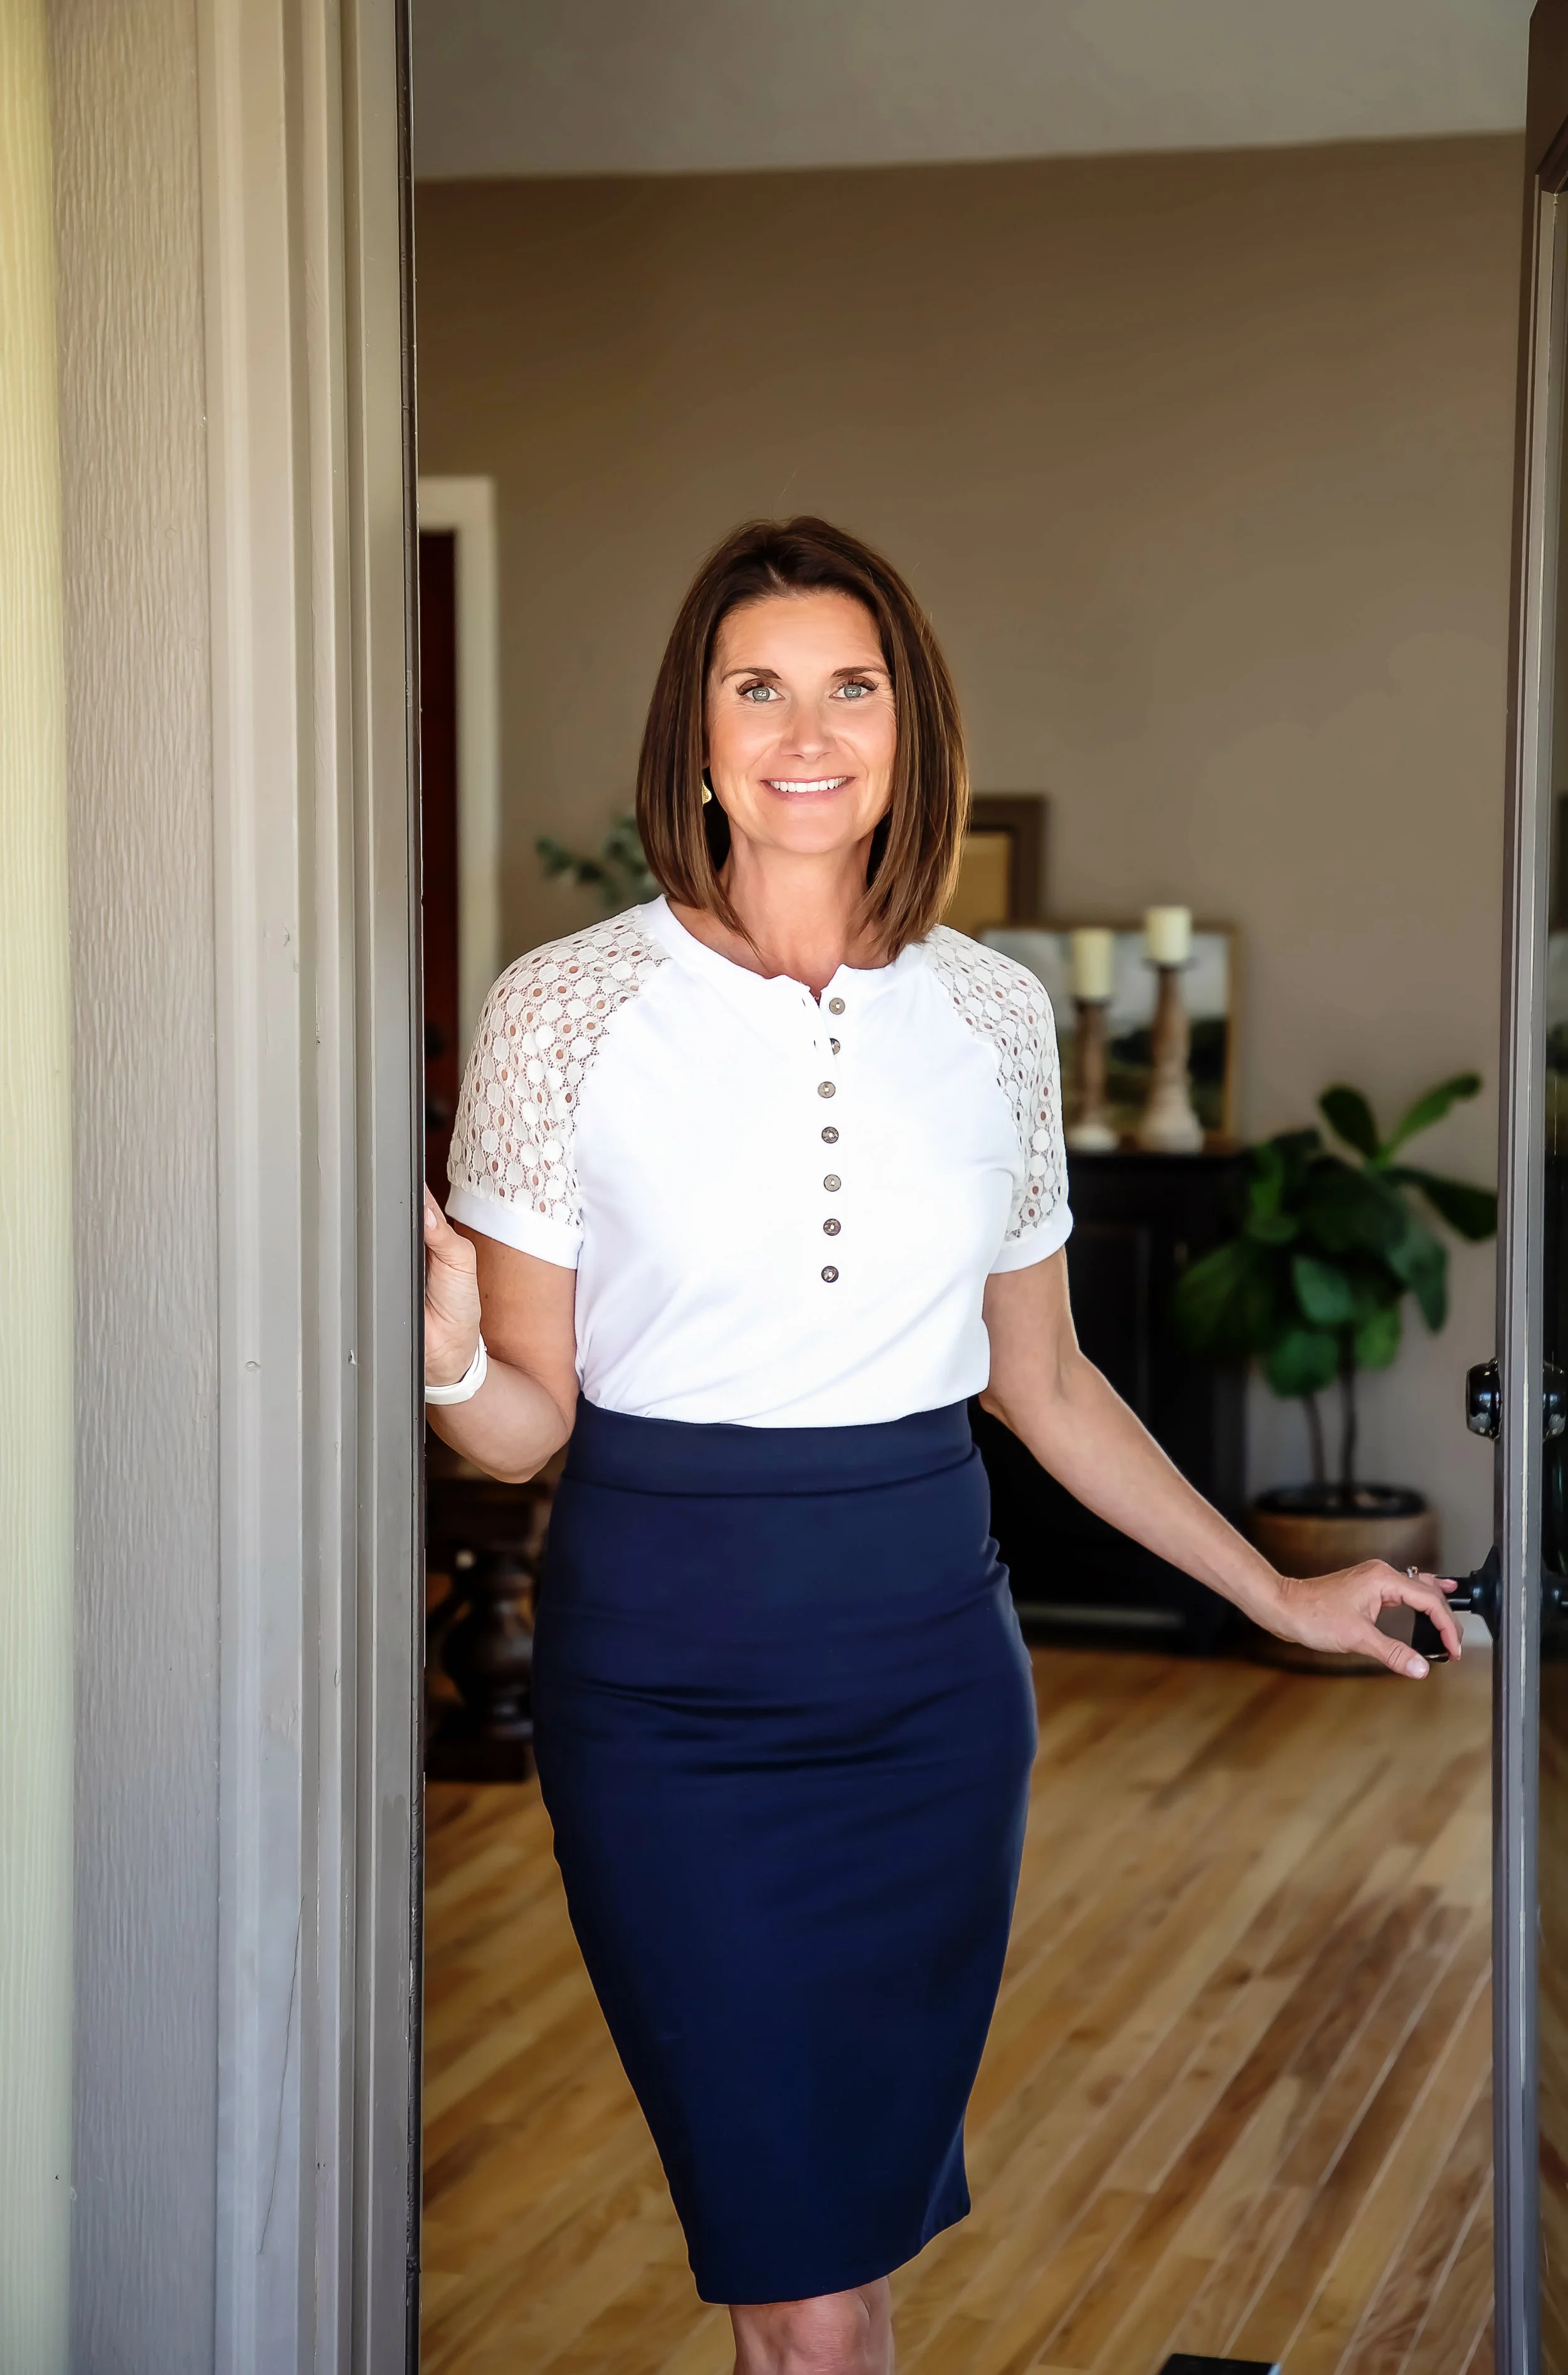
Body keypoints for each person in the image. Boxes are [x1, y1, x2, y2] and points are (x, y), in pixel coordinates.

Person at [421, 516, 1459, 2375]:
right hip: (665, 1688)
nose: (802, 729)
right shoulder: (563, 1007)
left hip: (929, 1687)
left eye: (850, 685)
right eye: (758, 685)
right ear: (697, 728)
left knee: (848, 2270)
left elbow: (1042, 1378)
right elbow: (524, 1427)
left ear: (910, 729)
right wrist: (432, 1366)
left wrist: (1272, 1596)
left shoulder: (991, 1014)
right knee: (803, 2285)